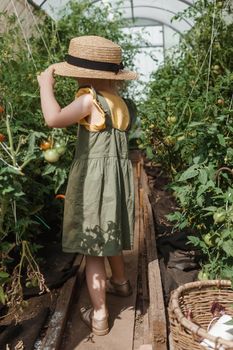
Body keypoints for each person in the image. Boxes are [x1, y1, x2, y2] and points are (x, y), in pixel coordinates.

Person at [37, 35, 137, 336]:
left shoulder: (88, 100)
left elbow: (53, 118)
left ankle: (99, 315)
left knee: (92, 248)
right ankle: (121, 284)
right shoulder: (121, 103)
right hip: (116, 180)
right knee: (111, 234)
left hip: (95, 182)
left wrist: (46, 87)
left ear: (85, 73)